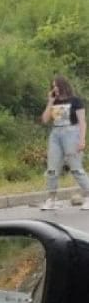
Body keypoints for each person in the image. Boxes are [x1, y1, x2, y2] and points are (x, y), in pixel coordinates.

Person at [40, 75, 89, 210]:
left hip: (72, 134)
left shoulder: (76, 101)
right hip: (56, 134)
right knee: (52, 169)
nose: (55, 87)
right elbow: (44, 120)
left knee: (76, 168)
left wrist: (82, 140)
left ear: (63, 85)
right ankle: (51, 199)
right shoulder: (54, 102)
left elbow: (82, 122)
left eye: (57, 85)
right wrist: (50, 101)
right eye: (53, 85)